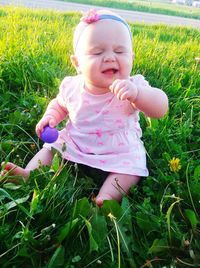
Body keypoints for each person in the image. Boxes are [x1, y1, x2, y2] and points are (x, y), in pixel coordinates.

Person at [1, 9, 168, 206]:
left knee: (130, 170)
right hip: (76, 141)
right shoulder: (72, 86)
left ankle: (106, 198)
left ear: (131, 57)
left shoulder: (134, 85)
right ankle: (29, 174)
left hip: (120, 149)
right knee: (51, 149)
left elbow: (160, 108)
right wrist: (51, 117)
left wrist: (139, 95)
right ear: (77, 63)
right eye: (97, 52)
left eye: (120, 51)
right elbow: (60, 104)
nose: (109, 58)